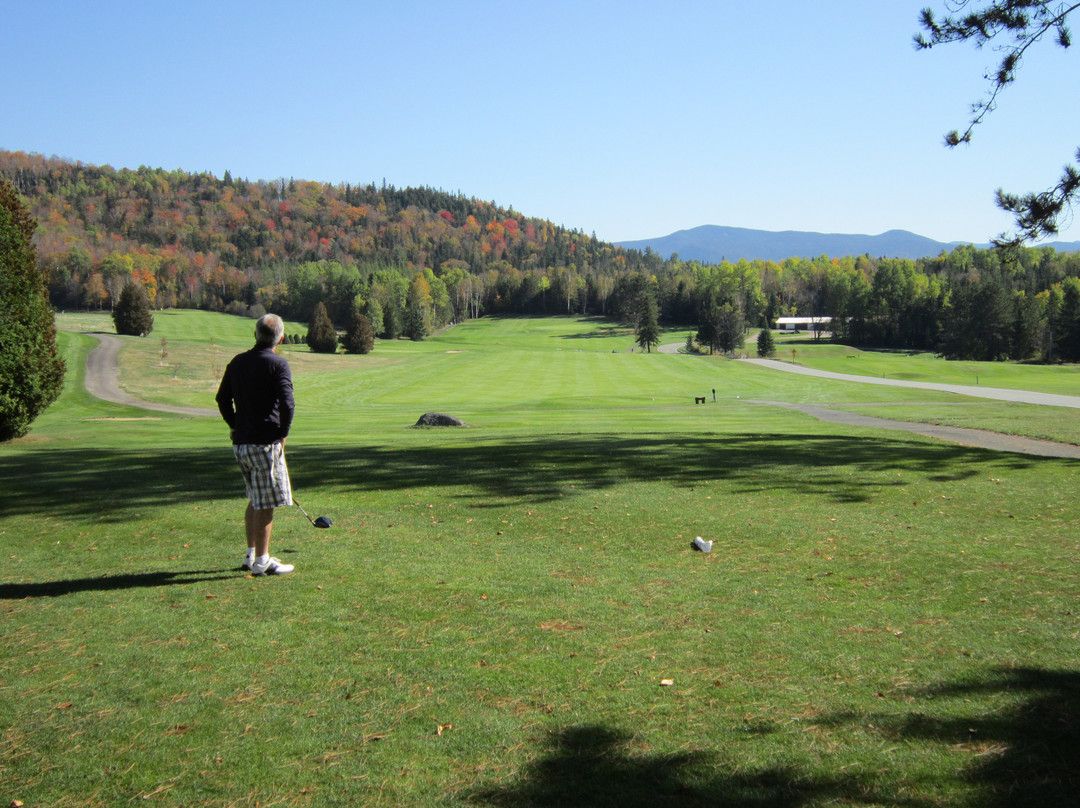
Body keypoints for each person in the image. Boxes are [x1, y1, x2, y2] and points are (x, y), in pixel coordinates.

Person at [216, 313, 296, 575]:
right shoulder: (278, 365)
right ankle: (262, 561)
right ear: (280, 338)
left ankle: (251, 555)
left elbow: (222, 398)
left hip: (242, 444)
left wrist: (235, 425)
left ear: (255, 335)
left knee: (254, 498)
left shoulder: (238, 362)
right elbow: (287, 404)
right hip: (264, 444)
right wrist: (282, 434)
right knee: (265, 503)